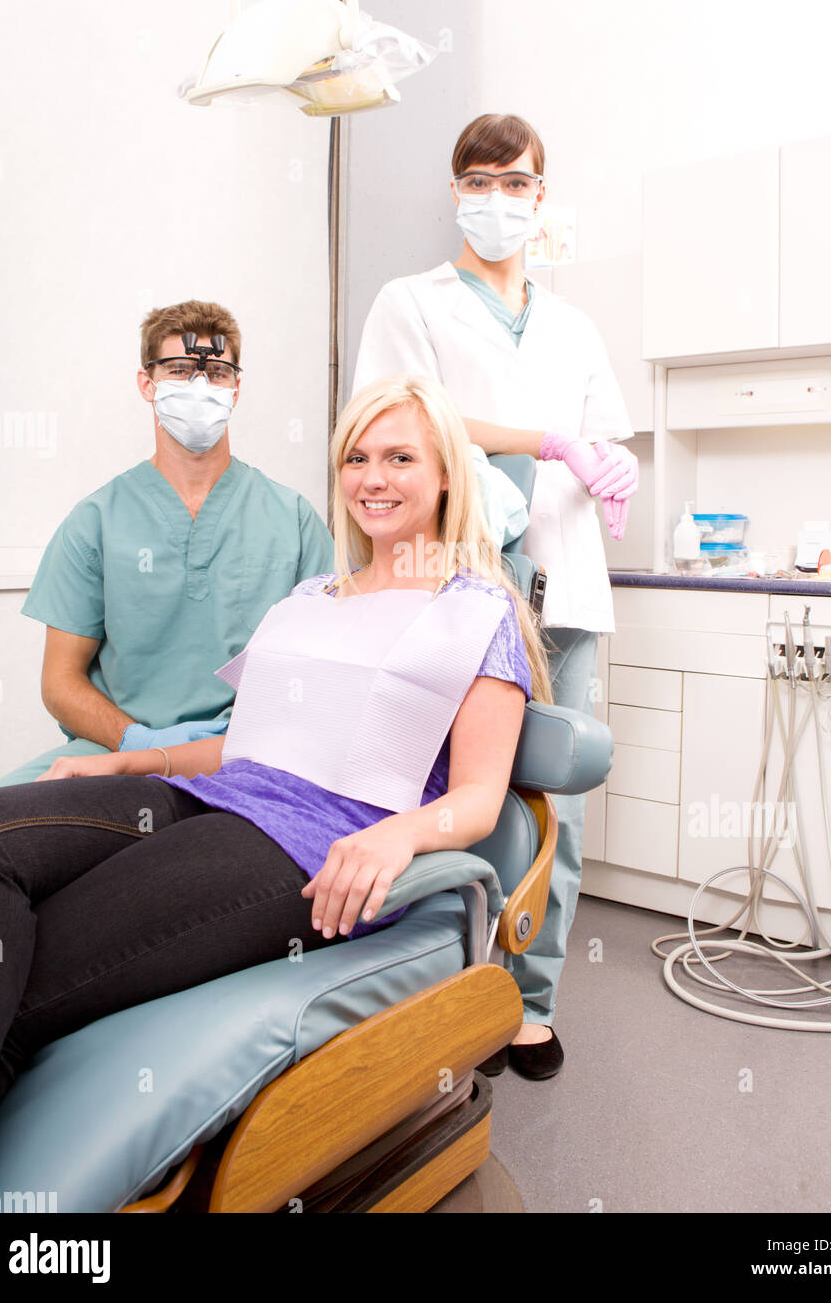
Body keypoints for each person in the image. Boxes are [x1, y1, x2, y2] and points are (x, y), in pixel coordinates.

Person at [0, 375, 549, 1179]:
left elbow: (480, 798)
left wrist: (396, 836)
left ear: (446, 471)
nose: (371, 478)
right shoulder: (313, 597)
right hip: (210, 795)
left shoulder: (478, 611)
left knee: (29, 976)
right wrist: (136, 757)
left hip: (302, 842)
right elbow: (246, 743)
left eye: (399, 457)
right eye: (356, 458)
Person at [354, 113, 637, 1079]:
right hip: (463, 568)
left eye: (515, 183)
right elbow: (403, 419)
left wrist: (608, 464)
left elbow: (607, 431)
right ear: (455, 190)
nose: (496, 198)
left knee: (554, 791)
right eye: (478, 180)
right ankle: (441, 991)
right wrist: (540, 441)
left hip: (563, 585)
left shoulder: (574, 325)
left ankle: (528, 999)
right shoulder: (411, 301)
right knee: (446, 786)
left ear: (538, 196)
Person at [0, 300, 334, 788]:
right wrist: (138, 745)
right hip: (113, 750)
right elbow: (60, 682)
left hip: (243, 753)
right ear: (146, 384)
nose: (199, 387)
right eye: (178, 370)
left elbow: (320, 672)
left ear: (236, 387)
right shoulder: (97, 521)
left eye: (216, 372)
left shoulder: (292, 518)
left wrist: (229, 742)